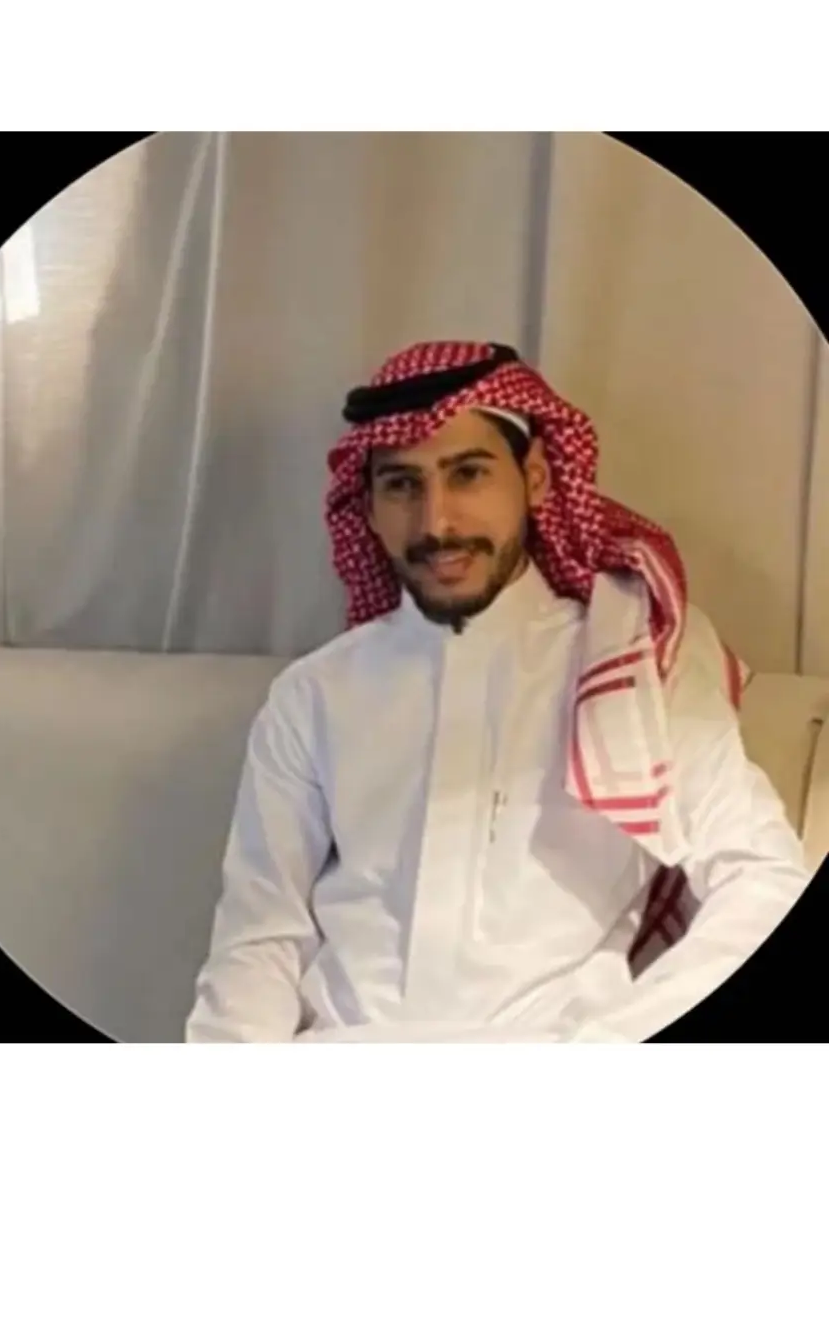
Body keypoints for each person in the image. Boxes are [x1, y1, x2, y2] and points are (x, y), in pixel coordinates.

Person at [185, 340, 811, 1043]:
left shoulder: (633, 661)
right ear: (368, 507)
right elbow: (258, 940)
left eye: (469, 473)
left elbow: (765, 881)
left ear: (536, 478)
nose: (437, 523)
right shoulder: (313, 695)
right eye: (402, 484)